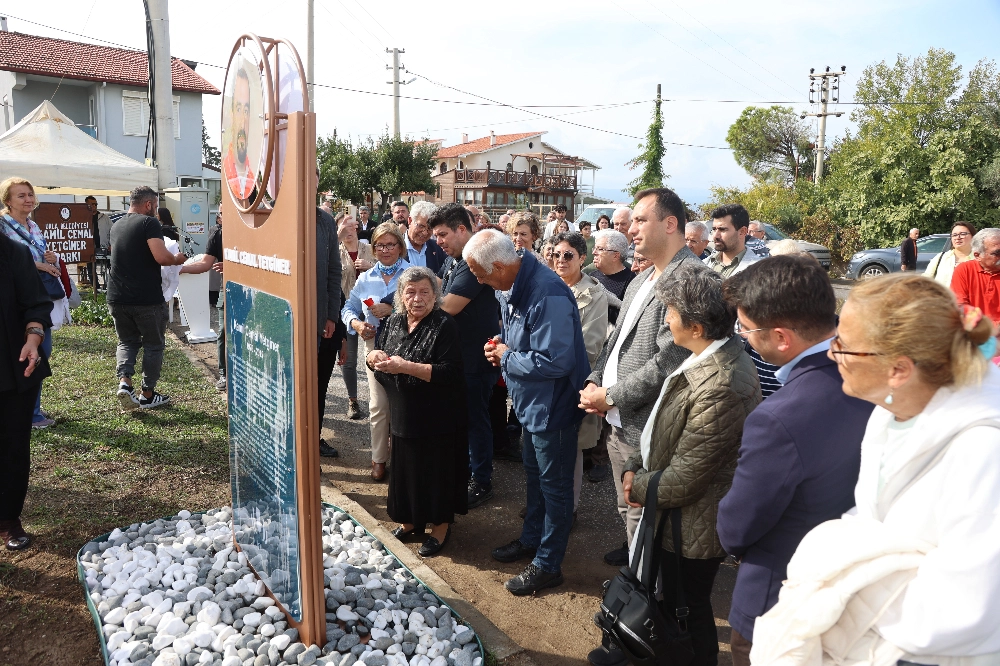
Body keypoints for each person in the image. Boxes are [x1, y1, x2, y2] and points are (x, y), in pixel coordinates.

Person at [751, 274, 1000, 664]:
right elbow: (869, 521)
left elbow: (963, 609)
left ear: (898, 370)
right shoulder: (889, 413)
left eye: (844, 345)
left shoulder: (983, 451)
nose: (832, 354)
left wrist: (836, 586)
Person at [593, 265, 761, 666]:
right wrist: (635, 463)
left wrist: (635, 484)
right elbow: (663, 430)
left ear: (697, 327)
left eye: (671, 312)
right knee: (672, 605)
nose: (667, 320)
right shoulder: (701, 359)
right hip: (677, 517)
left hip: (693, 525)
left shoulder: (722, 383)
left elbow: (688, 476)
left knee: (689, 610)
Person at [716, 255, 875, 665]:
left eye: (745, 328)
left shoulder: (778, 418)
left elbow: (738, 525)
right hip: (857, 594)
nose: (743, 337)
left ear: (781, 337)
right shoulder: (875, 370)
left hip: (779, 602)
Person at [578, 187, 701, 569]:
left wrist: (612, 395)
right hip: (620, 422)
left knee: (647, 517)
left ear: (670, 224)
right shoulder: (642, 278)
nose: (631, 229)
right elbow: (616, 340)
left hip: (650, 426)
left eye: (641, 220)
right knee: (628, 507)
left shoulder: (691, 278)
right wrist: (595, 380)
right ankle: (637, 575)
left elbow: (671, 360)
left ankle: (644, 591)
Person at [465, 229, 590, 596]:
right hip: (531, 403)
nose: (479, 281)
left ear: (500, 266)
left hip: (552, 406)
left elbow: (556, 360)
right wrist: (503, 345)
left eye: (481, 274)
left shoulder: (547, 292)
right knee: (535, 478)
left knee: (555, 487)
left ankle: (549, 564)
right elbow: (524, 338)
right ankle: (532, 539)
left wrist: (507, 357)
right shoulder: (514, 284)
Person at [367, 267, 468, 557]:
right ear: (401, 296)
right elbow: (379, 354)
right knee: (407, 470)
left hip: (437, 416)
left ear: (435, 296)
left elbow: (450, 372)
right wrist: (373, 356)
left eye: (425, 292)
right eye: (410, 292)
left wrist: (405, 367)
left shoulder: (444, 325)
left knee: (435, 472)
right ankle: (410, 521)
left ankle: (440, 528)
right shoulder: (394, 321)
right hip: (402, 413)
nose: (417, 298)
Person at [429, 204, 502, 509]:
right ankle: (468, 471)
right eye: (436, 236)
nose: (438, 242)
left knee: (474, 420)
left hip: (475, 357)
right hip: (459, 355)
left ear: (462, 229)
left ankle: (481, 481)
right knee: (462, 418)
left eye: (443, 234)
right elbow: (438, 292)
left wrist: (419, 303)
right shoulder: (453, 260)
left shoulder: (474, 261)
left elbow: (448, 306)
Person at [342, 222, 411, 480]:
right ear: (373, 249)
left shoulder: (413, 274)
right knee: (379, 404)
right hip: (376, 348)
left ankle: (404, 459)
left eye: (390, 244)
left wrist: (393, 310)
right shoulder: (365, 278)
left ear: (400, 247)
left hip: (409, 345)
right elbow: (348, 308)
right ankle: (379, 458)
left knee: (405, 404)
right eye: (380, 245)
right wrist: (357, 324)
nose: (385, 250)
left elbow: (429, 307)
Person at [107, 187, 187, 409]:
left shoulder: (116, 225)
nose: (156, 211)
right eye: (156, 206)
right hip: (146, 299)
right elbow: (162, 257)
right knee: (153, 345)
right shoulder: (149, 223)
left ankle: (125, 383)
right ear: (148, 204)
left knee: (127, 341)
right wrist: (178, 258)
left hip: (117, 297)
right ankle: (148, 394)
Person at [0, 177, 67, 429]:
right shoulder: (2, 226)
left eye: (30, 194)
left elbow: (38, 254)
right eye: (21, 195)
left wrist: (50, 258)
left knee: (42, 351)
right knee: (25, 354)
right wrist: (37, 265)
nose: (28, 199)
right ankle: (30, 413)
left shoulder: (33, 225)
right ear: (7, 200)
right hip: (14, 302)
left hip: (38, 298)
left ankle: (32, 408)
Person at [0, 232, 52, 551]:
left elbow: (36, 305)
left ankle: (8, 519)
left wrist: (33, 339)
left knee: (13, 445)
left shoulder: (14, 252)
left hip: (12, 365)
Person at [551, 232, 609, 510]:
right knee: (543, 447)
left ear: (582, 258)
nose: (560, 260)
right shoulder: (546, 286)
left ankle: (568, 509)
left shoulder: (595, 295)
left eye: (568, 255)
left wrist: (547, 360)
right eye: (556, 255)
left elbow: (590, 346)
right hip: (544, 380)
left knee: (570, 450)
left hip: (573, 380)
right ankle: (544, 502)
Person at [314, 187, 344, 458]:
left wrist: (332, 316)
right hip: (285, 322)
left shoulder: (324, 221)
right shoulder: (273, 217)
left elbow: (334, 272)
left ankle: (314, 439)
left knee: (319, 385)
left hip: (322, 322)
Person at [337, 213, 375, 420]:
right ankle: (353, 401)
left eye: (353, 225)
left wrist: (371, 267)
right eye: (345, 226)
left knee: (375, 355)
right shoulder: (334, 251)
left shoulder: (370, 249)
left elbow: (385, 271)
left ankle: (380, 400)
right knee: (349, 359)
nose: (350, 230)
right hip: (346, 310)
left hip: (372, 310)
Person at [951, 227, 1000, 325]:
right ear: (977, 255)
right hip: (975, 330)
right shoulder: (965, 270)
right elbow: (960, 307)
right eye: (997, 253)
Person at [222, 67, 255, 200]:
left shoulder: (254, 175)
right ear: (231, 114)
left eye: (246, 110)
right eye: (238, 109)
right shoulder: (226, 170)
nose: (242, 121)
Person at [588, 229, 634, 323]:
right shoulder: (592, 277)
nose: (594, 252)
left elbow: (628, 318)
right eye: (595, 248)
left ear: (615, 256)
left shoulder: (632, 281)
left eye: (600, 249)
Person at [705, 204, 763, 277]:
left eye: (722, 229)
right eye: (714, 229)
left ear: (742, 232)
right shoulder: (704, 264)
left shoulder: (759, 271)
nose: (716, 236)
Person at [925, 221, 975, 286]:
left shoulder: (979, 260)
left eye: (963, 234)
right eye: (954, 235)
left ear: (973, 236)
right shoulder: (941, 257)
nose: (958, 238)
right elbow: (926, 280)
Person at [403, 201, 447, 274]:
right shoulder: (394, 247)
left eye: (430, 228)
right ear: (410, 221)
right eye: (421, 226)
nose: (425, 232)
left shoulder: (438, 248)